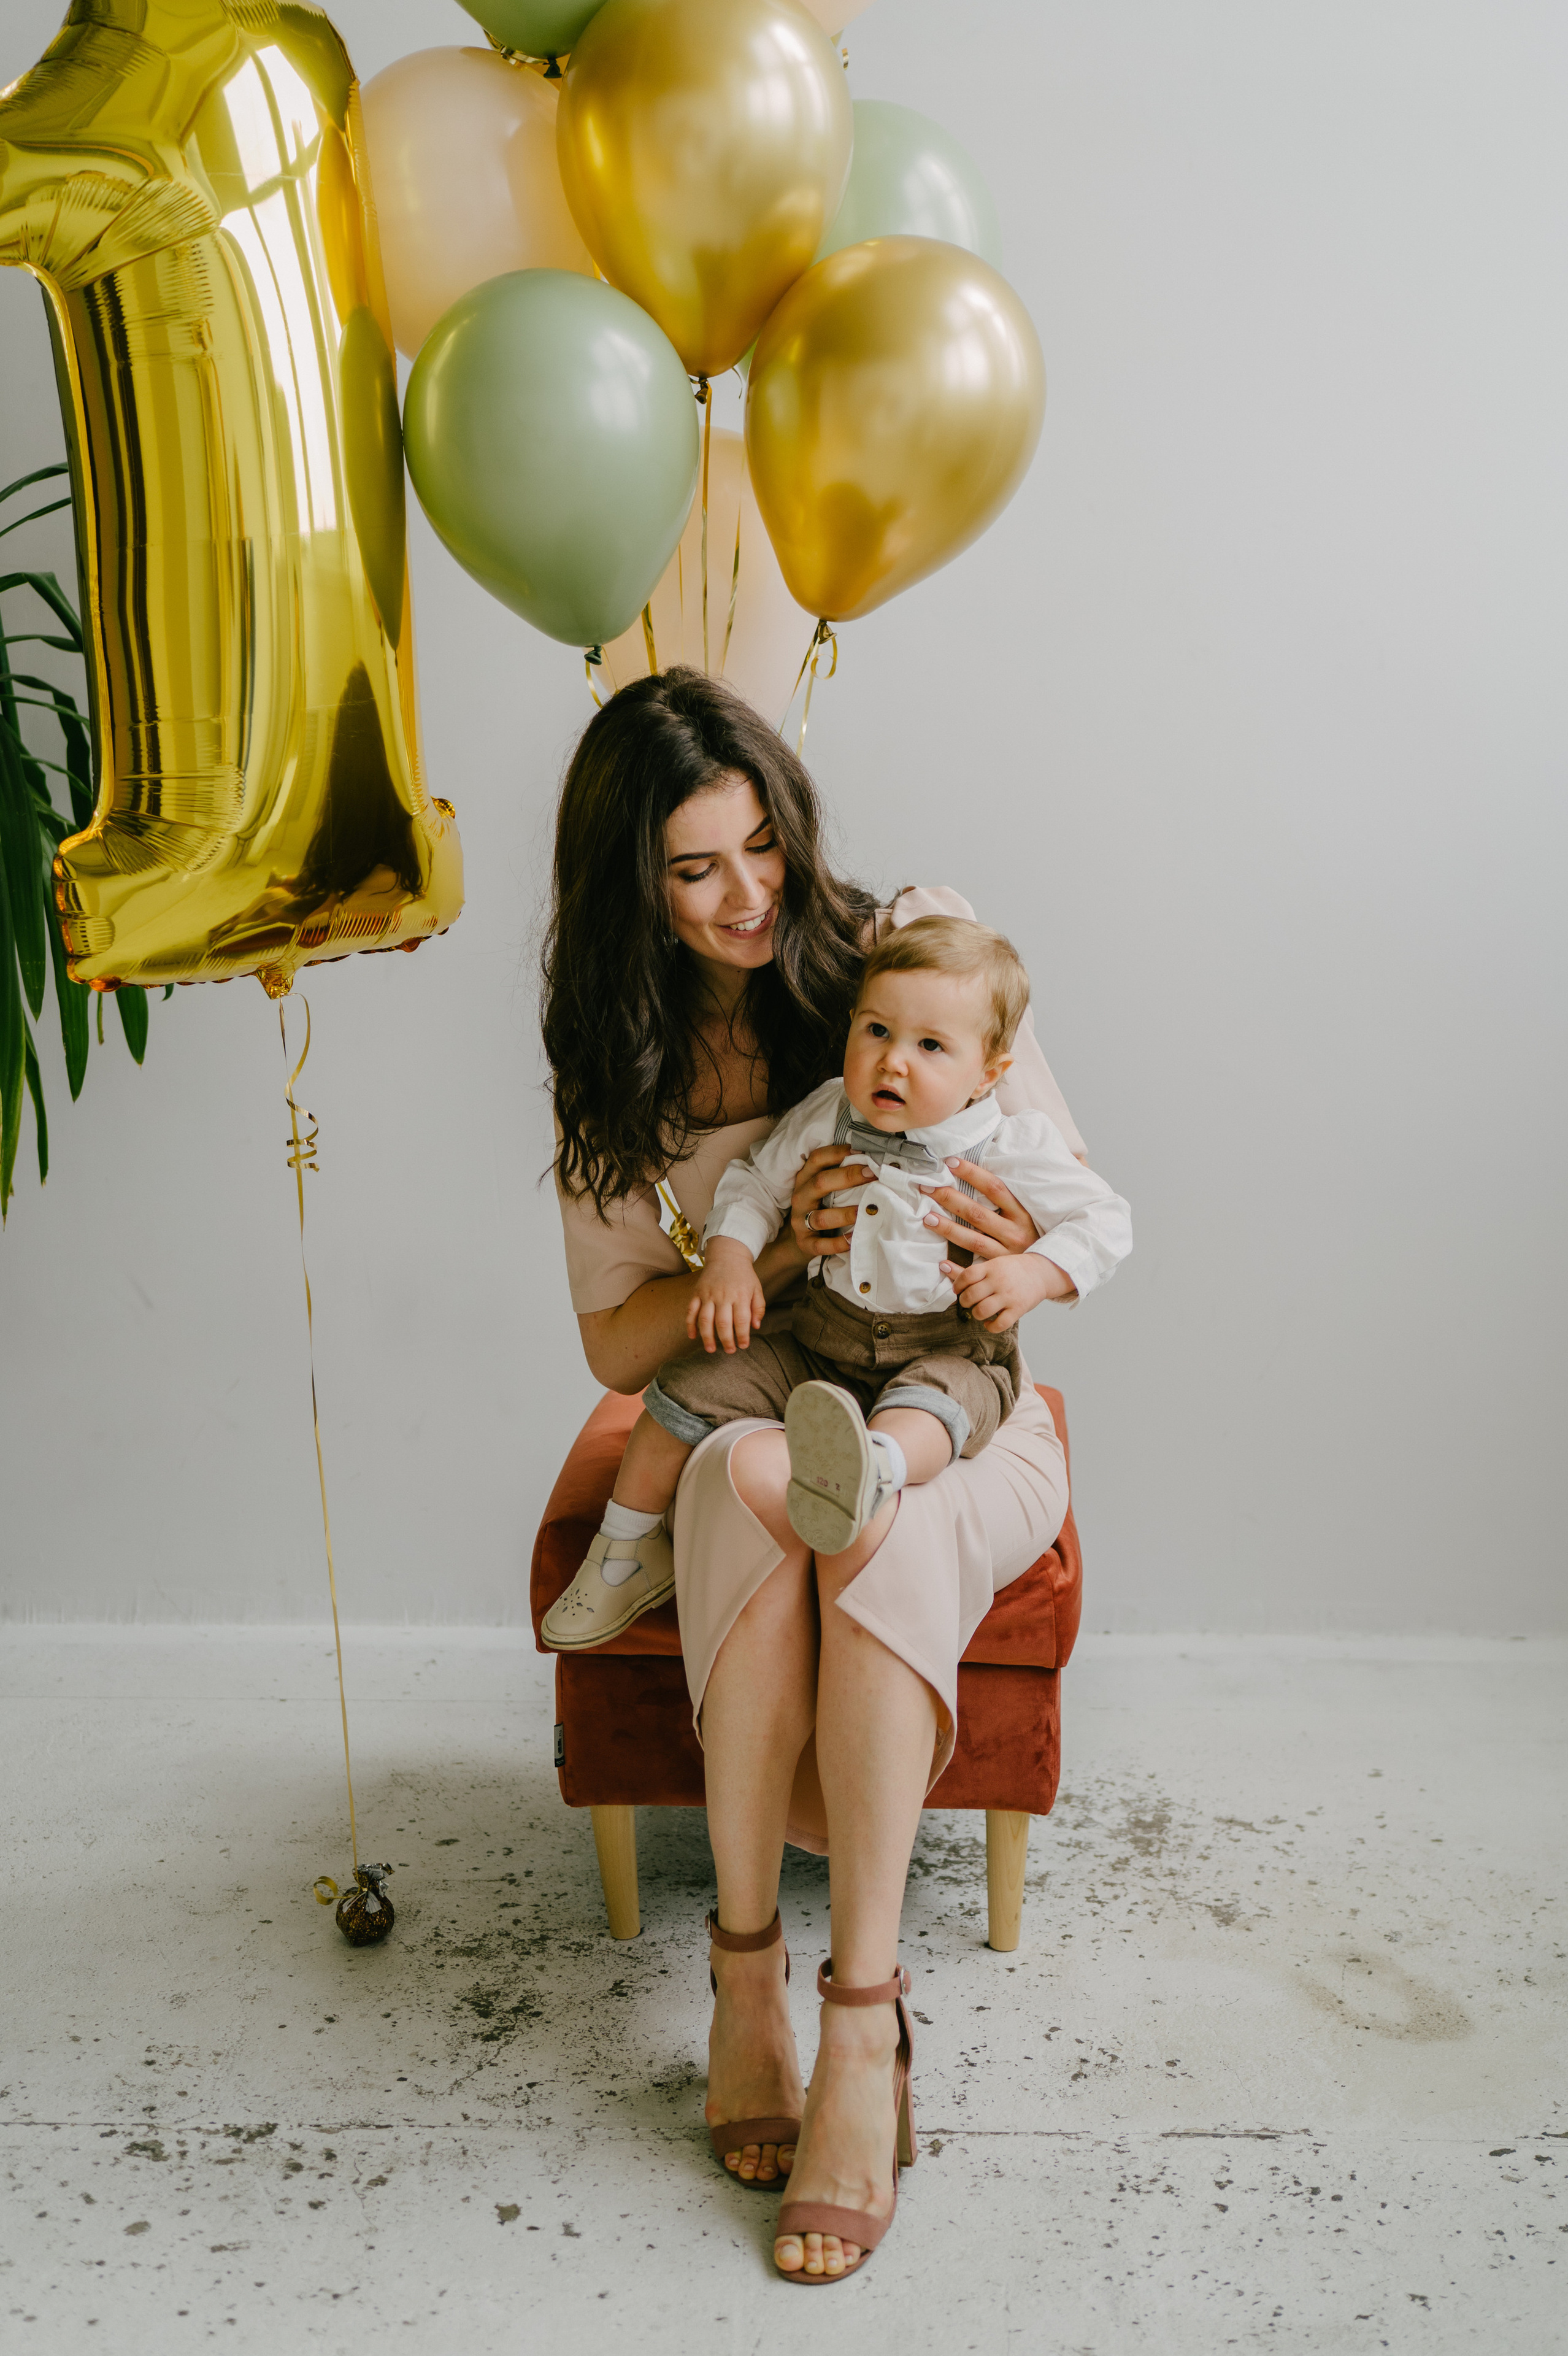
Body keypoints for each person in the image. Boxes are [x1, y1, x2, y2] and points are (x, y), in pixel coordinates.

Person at [542, 668, 1123, 2284]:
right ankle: (744, 1977)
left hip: (951, 1402)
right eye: (693, 870)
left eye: (761, 849)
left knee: (882, 1515)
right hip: (781, 1381)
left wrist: (995, 1244)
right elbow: (615, 1343)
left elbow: (1050, 1185)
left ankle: (859, 2024)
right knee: (740, 1475)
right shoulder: (626, 1064)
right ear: (631, 890)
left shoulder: (907, 949)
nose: (746, 900)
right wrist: (758, 1253)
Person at [542, 915, 1129, 1648]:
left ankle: (872, 1470)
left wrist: (1035, 1272)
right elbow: (753, 1182)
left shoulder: (1009, 1142)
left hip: (946, 1349)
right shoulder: (829, 1112)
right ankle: (623, 1551)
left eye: (930, 1047)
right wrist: (728, 1260)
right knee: (679, 1396)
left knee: (932, 1412)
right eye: (877, 1032)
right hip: (820, 1341)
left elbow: (1105, 1220)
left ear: (988, 1073)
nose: (893, 1063)